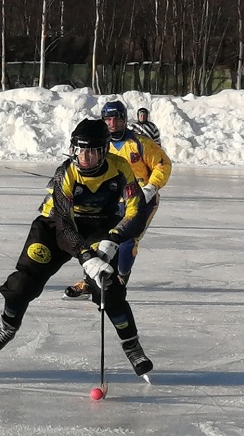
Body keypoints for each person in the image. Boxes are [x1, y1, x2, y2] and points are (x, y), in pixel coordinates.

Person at [0, 117, 155, 378]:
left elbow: (136, 209)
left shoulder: (120, 168)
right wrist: (86, 257)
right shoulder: (66, 172)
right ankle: (8, 326)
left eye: (91, 152)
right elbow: (64, 224)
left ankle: (131, 344)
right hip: (56, 227)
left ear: (104, 151)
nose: (84, 157)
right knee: (22, 283)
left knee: (108, 288)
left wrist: (113, 238)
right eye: (79, 150)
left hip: (99, 226)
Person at [64, 99, 173, 298]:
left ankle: (121, 279)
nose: (112, 124)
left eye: (116, 119)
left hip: (141, 200)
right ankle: (90, 281)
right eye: (108, 119)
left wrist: (151, 187)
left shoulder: (140, 143)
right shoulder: (99, 145)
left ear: (124, 120)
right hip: (113, 200)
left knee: (126, 241)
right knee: (97, 239)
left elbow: (163, 164)